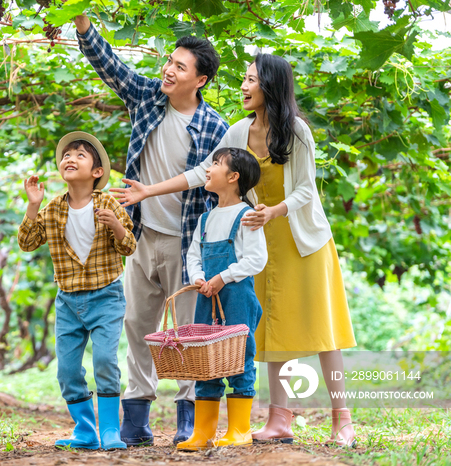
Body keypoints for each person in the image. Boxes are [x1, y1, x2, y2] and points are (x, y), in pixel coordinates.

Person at [112, 53, 358, 448]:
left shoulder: (295, 131)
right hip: (258, 242)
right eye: (244, 79)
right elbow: (202, 172)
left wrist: (273, 211)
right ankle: (279, 419)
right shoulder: (238, 131)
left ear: (271, 87)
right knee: (270, 328)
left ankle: (341, 420)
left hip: (301, 239)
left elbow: (306, 189)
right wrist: (148, 190)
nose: (244, 87)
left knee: (322, 329)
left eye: (251, 81)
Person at [74, 14, 229, 446]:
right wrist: (84, 25)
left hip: (187, 241)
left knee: (186, 334)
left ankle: (188, 418)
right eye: (170, 62)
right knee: (139, 325)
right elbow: (109, 65)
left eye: (181, 67)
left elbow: (212, 186)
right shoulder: (146, 98)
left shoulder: (214, 127)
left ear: (199, 80)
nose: (169, 70)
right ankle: (136, 418)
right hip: (142, 237)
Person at [18, 132, 137, 450]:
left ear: (97, 172)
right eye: (66, 155)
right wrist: (33, 205)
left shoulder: (108, 203)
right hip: (68, 301)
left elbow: (129, 247)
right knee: (67, 369)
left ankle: (111, 429)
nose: (70, 158)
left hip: (106, 297)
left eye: (80, 155)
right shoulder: (54, 208)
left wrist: (115, 225)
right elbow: (28, 242)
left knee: (104, 361)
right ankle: (85, 430)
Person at [177, 147, 266, 450]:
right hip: (207, 298)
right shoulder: (206, 218)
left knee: (239, 357)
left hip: (237, 296)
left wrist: (222, 277)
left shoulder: (247, 216)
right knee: (205, 359)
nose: (208, 168)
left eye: (215, 163)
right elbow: (193, 256)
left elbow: (256, 260)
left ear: (232, 177)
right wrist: (199, 278)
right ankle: (203, 433)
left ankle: (239, 430)